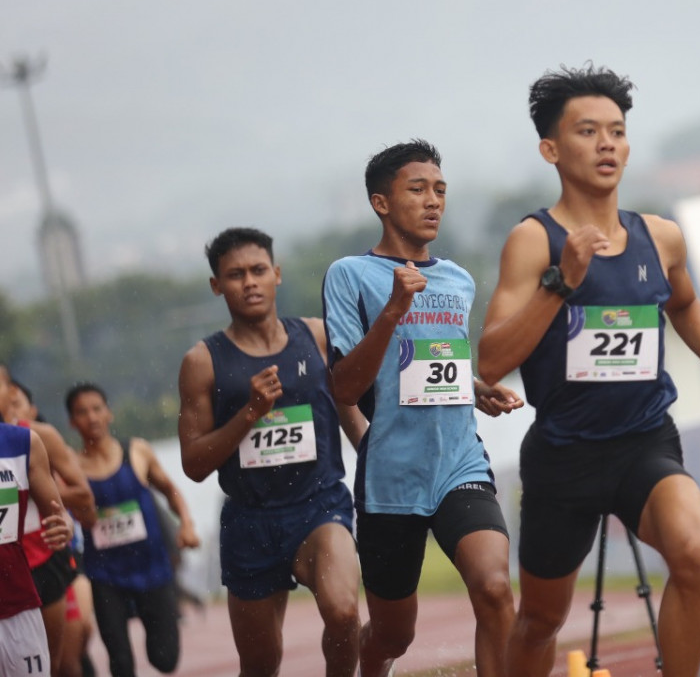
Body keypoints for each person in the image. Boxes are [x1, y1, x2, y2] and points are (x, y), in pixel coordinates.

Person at [477, 64, 700, 677]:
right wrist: (561, 283)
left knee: (693, 553)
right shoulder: (534, 241)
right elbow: (492, 360)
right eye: (587, 131)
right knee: (540, 620)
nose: (607, 144)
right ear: (551, 149)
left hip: (644, 442)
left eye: (617, 131)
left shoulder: (661, 237)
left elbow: (684, 303)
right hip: (564, 457)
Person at [322, 139, 523, 677]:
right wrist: (393, 309)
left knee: (495, 588)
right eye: (417, 189)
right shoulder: (350, 275)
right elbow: (345, 386)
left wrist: (472, 387)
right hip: (391, 477)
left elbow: (428, 360)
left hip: (459, 463)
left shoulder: (458, 279)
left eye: (440, 190)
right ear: (381, 202)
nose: (433, 201)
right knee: (394, 635)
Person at [177, 226, 362, 677]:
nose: (249, 282)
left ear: (276, 274)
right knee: (260, 665)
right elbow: (194, 464)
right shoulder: (202, 362)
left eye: (258, 270)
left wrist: (380, 461)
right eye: (235, 275)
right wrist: (250, 413)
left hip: (319, 506)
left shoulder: (317, 337)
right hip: (250, 521)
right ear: (217, 285)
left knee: (343, 614)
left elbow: (353, 407)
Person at [66, 382, 200, 677]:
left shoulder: (137, 451)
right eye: (82, 412)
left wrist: (187, 524)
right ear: (72, 422)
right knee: (121, 663)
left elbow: (170, 490)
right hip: (105, 576)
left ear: (109, 413)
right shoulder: (71, 467)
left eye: (97, 409)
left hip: (152, 569)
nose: (92, 417)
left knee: (164, 659)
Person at [5, 380, 97, 677]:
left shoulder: (33, 439)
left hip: (42, 565)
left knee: (61, 664)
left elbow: (80, 500)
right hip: (16, 569)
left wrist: (64, 522)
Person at [1, 363, 73, 677]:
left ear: (10, 392)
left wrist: (65, 526)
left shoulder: (25, 442)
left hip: (17, 602)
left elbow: (57, 513)